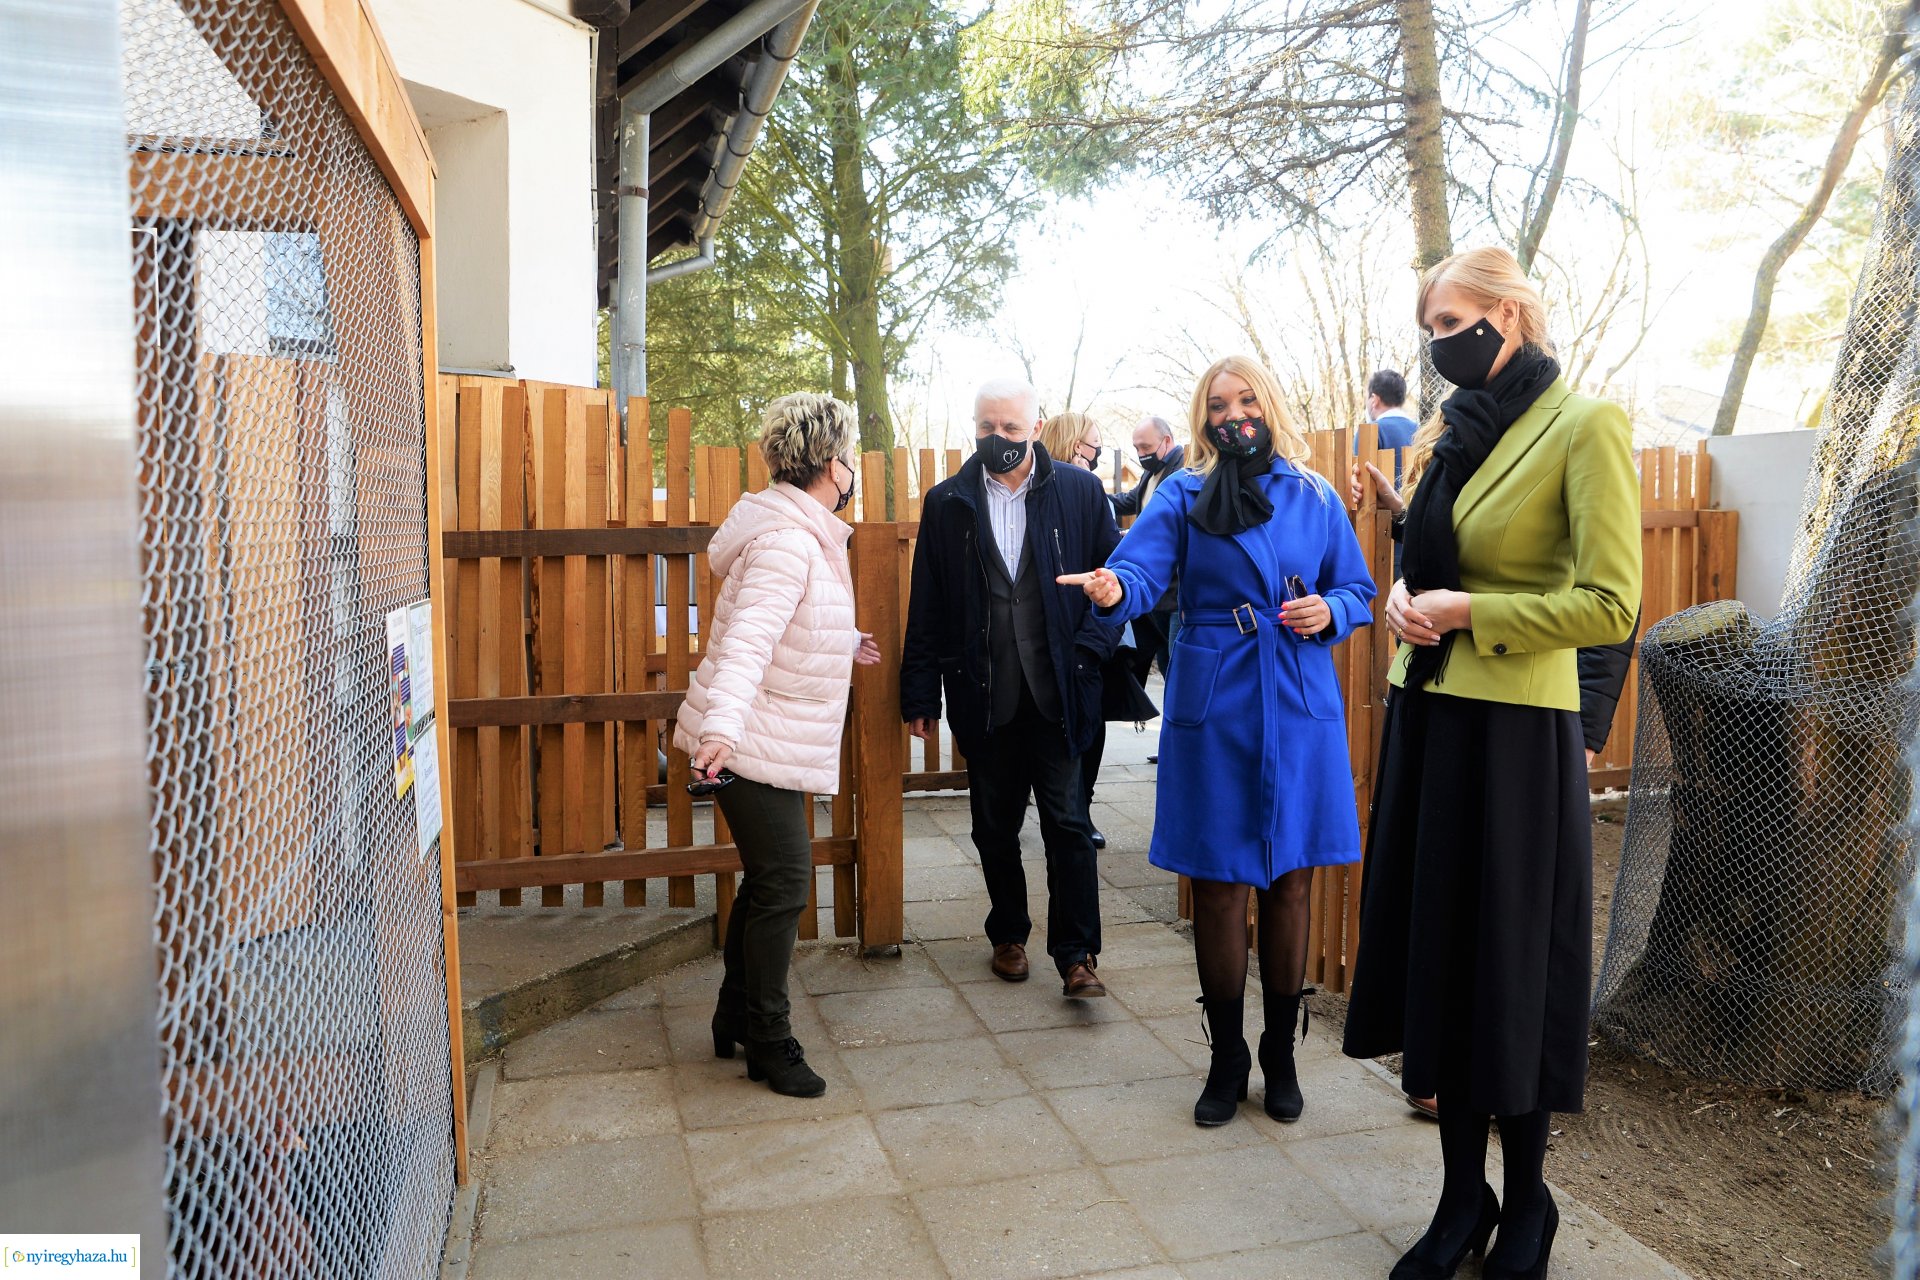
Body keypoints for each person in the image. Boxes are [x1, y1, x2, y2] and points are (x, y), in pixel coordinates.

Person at [1341, 247, 1641, 1280]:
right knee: (1445, 961)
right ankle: (1459, 1199)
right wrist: (1399, 596)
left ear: (1510, 315)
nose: (1437, 342)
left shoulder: (1585, 427)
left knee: (1509, 969)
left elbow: (1610, 604)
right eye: (1427, 326)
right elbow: (1430, 562)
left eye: (1452, 319)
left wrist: (1472, 613)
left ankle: (1527, 1207)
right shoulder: (1447, 434)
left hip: (1519, 734)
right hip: (1429, 718)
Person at [1061, 354, 1376, 1127]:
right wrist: (1111, 589)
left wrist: (1329, 611)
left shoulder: (1314, 494)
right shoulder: (1183, 493)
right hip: (1216, 701)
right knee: (1220, 884)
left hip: (1298, 699)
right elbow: (1138, 575)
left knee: (1292, 879)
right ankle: (1226, 1054)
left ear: (1268, 403)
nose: (1232, 415)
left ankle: (1281, 1050)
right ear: (1201, 421)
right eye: (1217, 405)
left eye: (1245, 400)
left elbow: (1358, 587)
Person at [675, 393, 882, 1098]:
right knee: (787, 885)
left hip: (760, 738)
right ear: (832, 464)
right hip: (744, 743)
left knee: (771, 883)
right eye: (849, 457)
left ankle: (735, 1018)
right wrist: (720, 734)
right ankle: (768, 1039)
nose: (852, 469)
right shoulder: (790, 542)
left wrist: (844, 642)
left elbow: (791, 624)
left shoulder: (796, 530)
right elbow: (747, 643)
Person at [901, 379, 1122, 997]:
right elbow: (929, 604)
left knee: (1068, 825)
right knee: (993, 828)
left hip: (1060, 693)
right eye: (986, 428)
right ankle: (1008, 934)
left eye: (1011, 429)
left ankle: (1077, 955)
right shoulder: (947, 502)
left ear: (1036, 426)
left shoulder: (1079, 492)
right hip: (984, 691)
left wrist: (1090, 650)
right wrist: (921, 693)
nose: (998, 440)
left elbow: (1117, 587)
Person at [1039, 411, 1114, 850]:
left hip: (1088, 633)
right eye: (1094, 443)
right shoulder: (1060, 488)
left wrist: (1095, 641)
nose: (1098, 452)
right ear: (1073, 444)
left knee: (1090, 720)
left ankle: (1078, 811)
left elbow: (1112, 563)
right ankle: (1074, 813)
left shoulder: (1089, 489)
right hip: (1065, 634)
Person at [1111, 416, 1184, 691]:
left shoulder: (1184, 472)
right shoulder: (1151, 472)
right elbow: (1132, 501)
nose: (1141, 454)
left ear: (1167, 441)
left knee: (1179, 666)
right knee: (1166, 663)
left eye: (1145, 447)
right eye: (1136, 448)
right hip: (1157, 593)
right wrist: (1094, 496)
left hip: (1178, 592)